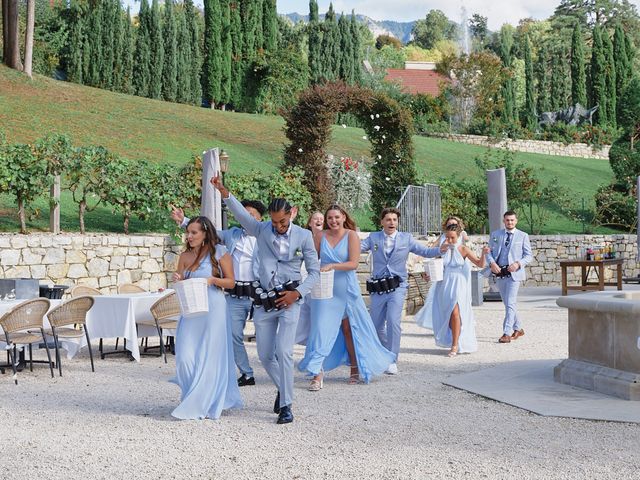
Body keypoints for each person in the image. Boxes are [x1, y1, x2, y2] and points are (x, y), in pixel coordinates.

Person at [210, 174, 320, 425]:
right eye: (274, 222)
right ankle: (283, 387)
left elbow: (314, 272)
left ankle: (287, 406)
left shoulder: (303, 236)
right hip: (265, 301)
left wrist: (298, 293)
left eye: (282, 222)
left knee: (284, 350)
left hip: (290, 299)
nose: (278, 227)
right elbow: (242, 216)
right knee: (265, 355)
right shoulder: (261, 229)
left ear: (291, 213)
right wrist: (224, 193)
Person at [298, 205, 395, 390]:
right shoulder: (320, 236)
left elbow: (353, 263)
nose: (333, 221)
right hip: (324, 289)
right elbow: (311, 259)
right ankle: (317, 374)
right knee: (320, 328)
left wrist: (332, 265)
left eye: (336, 217)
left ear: (343, 217)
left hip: (346, 289)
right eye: (329, 218)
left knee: (350, 329)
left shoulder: (351, 235)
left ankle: (355, 367)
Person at [171, 201, 266, 387]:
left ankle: (274, 367)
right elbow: (209, 231)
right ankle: (247, 373)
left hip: (259, 294)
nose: (247, 218)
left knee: (265, 339)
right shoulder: (232, 235)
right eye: (244, 214)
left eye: (251, 215)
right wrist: (183, 221)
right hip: (235, 294)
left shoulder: (265, 235)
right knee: (233, 336)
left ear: (260, 218)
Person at [171, 216, 243, 420]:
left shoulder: (219, 252)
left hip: (214, 309)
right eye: (188, 232)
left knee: (210, 355)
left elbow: (231, 282)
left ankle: (205, 401)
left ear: (205, 234)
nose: (189, 235)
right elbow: (181, 281)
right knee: (185, 356)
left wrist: (212, 280)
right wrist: (177, 279)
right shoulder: (184, 255)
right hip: (191, 310)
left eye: (194, 232)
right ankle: (190, 396)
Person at [360, 207, 440, 374]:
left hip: (398, 286)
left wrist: (441, 250)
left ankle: (391, 359)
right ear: (382, 222)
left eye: (394, 220)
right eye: (388, 219)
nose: (391, 222)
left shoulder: (406, 238)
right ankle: (382, 353)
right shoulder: (374, 237)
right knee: (375, 324)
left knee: (394, 322)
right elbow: (358, 248)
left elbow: (424, 251)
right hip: (378, 287)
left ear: (398, 222)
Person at [420, 224, 488, 356]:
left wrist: (484, 254)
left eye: (452, 238)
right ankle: (454, 338)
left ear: (458, 236)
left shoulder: (463, 249)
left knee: (456, 312)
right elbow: (434, 266)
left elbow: (480, 264)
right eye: (447, 237)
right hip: (444, 284)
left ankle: (455, 345)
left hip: (459, 283)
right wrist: (427, 275)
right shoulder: (442, 250)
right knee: (448, 314)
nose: (449, 241)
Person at [485, 210, 532, 344]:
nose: (510, 222)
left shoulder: (523, 236)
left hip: (514, 275)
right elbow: (488, 252)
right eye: (507, 220)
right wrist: (492, 263)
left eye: (512, 220)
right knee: (508, 303)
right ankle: (519, 329)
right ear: (504, 221)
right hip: (500, 273)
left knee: (510, 302)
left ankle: (507, 333)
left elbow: (529, 256)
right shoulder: (495, 235)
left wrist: (518, 264)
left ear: (516, 221)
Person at [416, 216, 469, 330]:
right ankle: (446, 327)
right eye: (449, 224)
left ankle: (459, 326)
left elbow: (466, 245)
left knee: (456, 306)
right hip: (444, 271)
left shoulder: (461, 235)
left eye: (454, 224)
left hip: (459, 271)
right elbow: (433, 249)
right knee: (442, 303)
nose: (451, 226)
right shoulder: (443, 237)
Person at [296, 211, 326, 346]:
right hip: (302, 283)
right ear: (310, 223)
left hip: (321, 285)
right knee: (300, 320)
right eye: (315, 219)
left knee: (318, 321)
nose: (319, 221)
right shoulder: (301, 238)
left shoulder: (327, 238)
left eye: (321, 219)